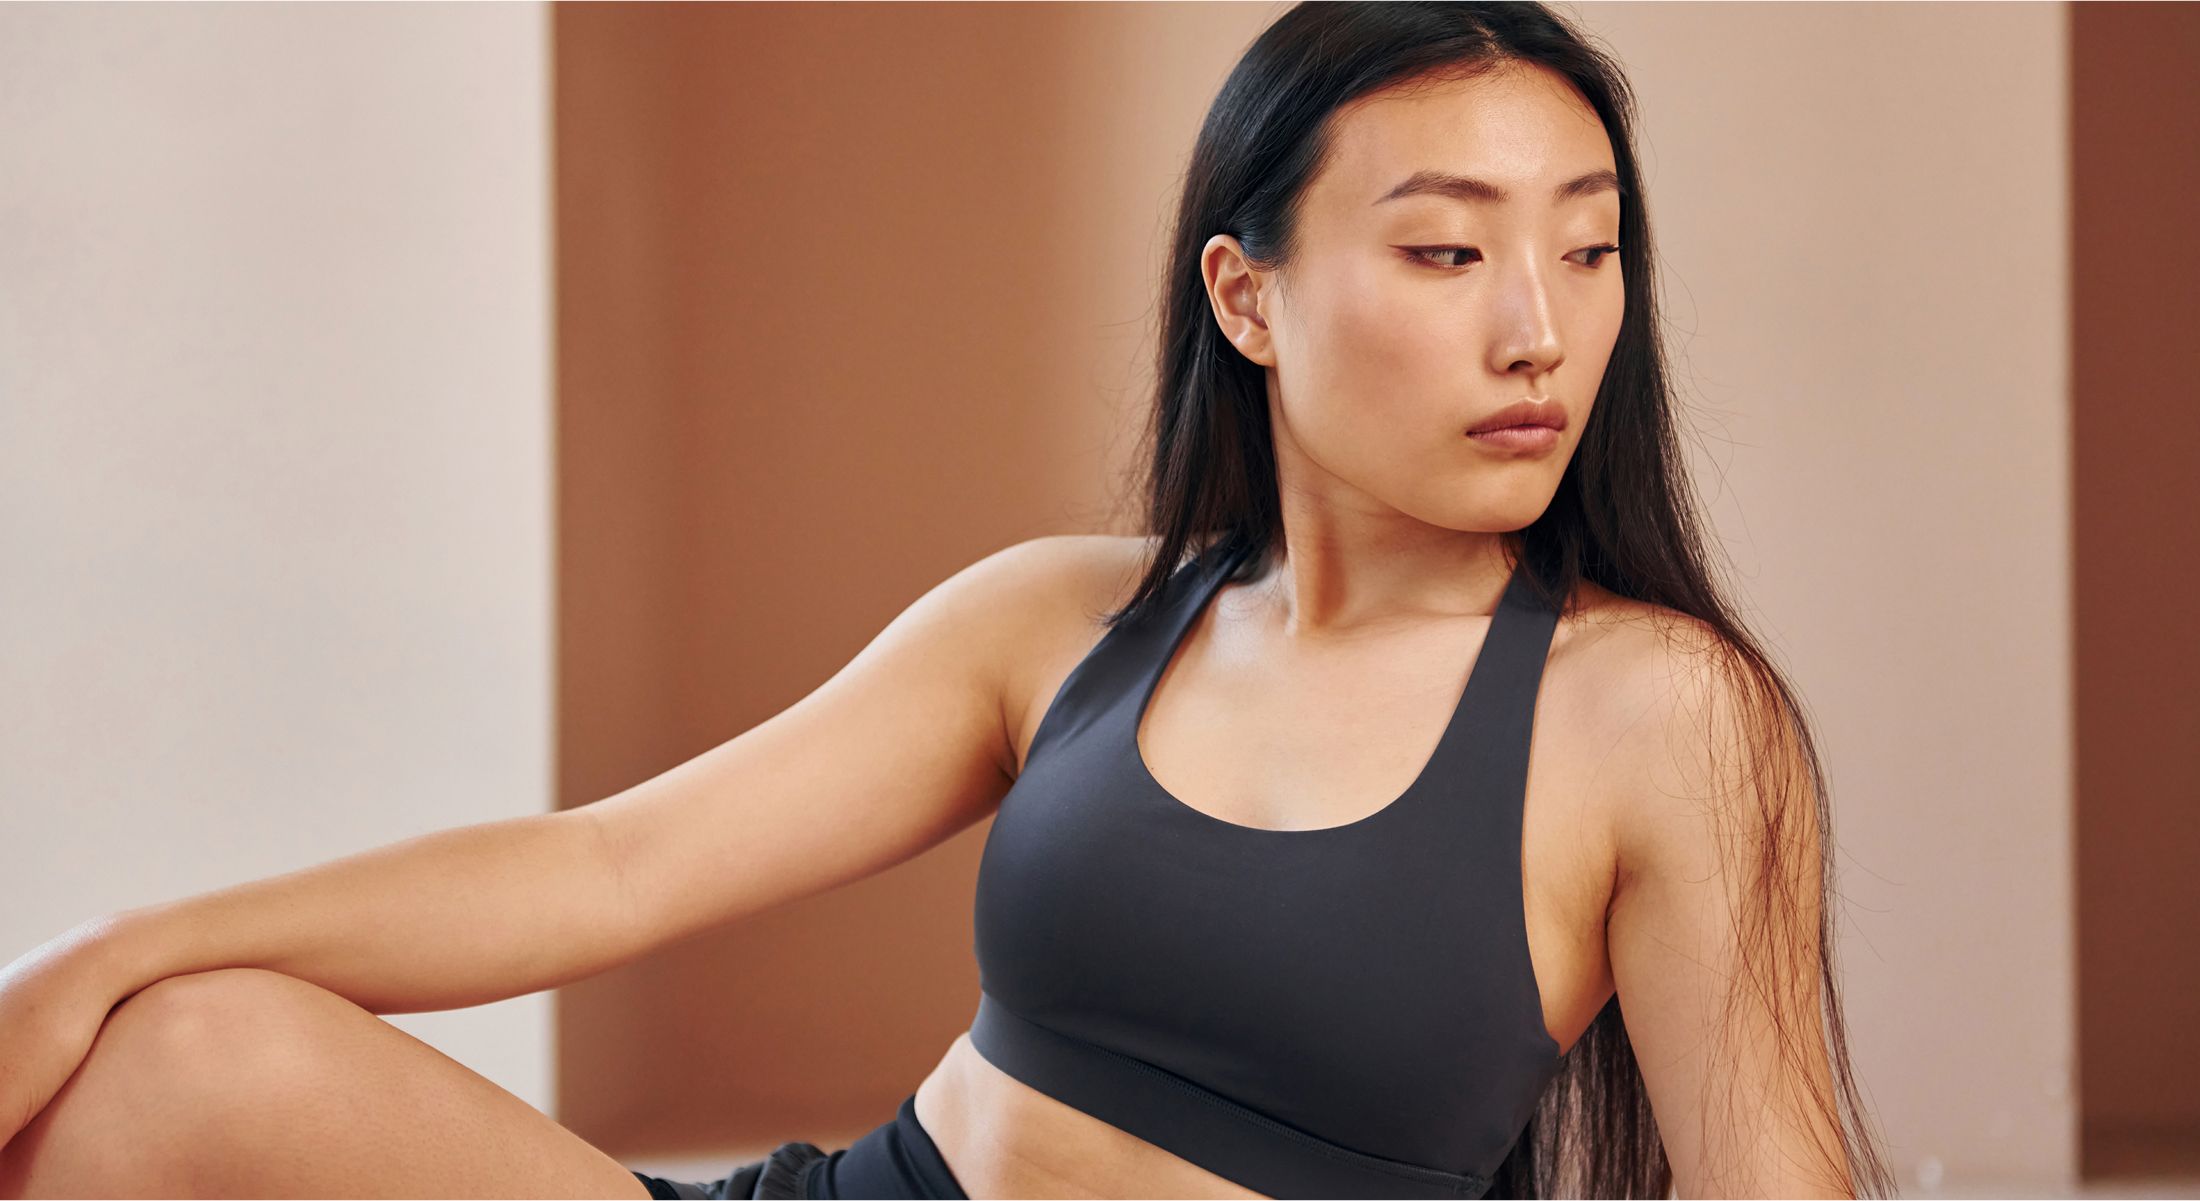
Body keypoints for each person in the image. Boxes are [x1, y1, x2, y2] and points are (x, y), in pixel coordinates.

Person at [0, 3, 1897, 1198]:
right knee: (177, 1058)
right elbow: (614, 867)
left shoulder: (1655, 715)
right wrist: (117, 945)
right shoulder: (1068, 622)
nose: (1537, 327)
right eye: (1447, 247)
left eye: (1588, 245)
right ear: (1247, 297)